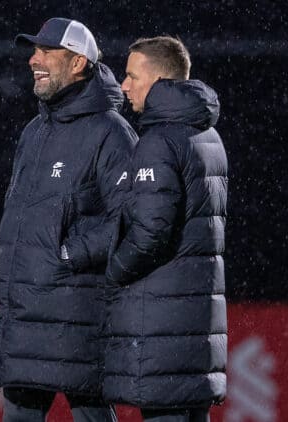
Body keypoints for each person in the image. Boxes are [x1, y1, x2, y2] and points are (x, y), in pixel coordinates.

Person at [0, 17, 138, 422]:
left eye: (48, 51)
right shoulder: (34, 131)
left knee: (90, 412)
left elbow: (131, 220)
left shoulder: (111, 132)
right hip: (25, 309)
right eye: (35, 51)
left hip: (76, 314)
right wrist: (3, 250)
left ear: (78, 63)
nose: (35, 59)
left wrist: (68, 254)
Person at [104, 36, 228, 421]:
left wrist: (113, 270)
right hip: (195, 322)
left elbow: (151, 233)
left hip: (162, 323)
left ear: (158, 80)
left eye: (131, 76)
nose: (124, 86)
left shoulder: (158, 140)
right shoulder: (207, 134)